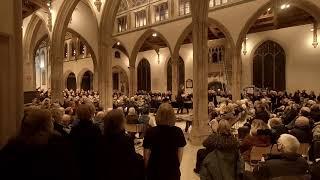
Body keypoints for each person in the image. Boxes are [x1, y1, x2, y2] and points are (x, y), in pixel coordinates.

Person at [0, 109, 78, 180]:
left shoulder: (13, 146)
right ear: (46, 126)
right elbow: (69, 171)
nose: (53, 121)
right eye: (51, 120)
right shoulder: (58, 145)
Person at [143, 103, 186, 180]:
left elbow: (146, 156)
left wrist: (147, 169)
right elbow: (180, 154)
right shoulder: (178, 131)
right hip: (172, 170)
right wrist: (175, 167)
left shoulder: (150, 132)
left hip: (154, 170)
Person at [98, 109, 144, 180]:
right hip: (122, 173)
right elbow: (132, 160)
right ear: (121, 122)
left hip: (106, 173)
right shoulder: (126, 139)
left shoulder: (101, 138)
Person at [69, 104, 102, 180]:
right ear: (90, 114)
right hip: (92, 161)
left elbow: (71, 146)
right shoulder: (95, 128)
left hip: (78, 160)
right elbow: (99, 145)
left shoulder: (75, 129)